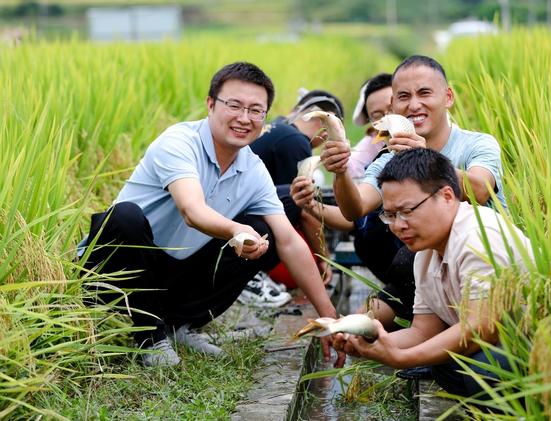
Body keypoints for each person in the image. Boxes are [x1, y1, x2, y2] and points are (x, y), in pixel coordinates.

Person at [79, 62, 340, 367]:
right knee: (124, 217)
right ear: (211, 104)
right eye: (234, 106)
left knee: (261, 227)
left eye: (256, 110)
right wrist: (235, 231)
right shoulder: (178, 142)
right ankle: (149, 337)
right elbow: (192, 211)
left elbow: (289, 242)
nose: (244, 118)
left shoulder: (252, 168)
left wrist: (329, 314)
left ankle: (178, 325)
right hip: (116, 271)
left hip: (173, 270)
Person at [312, 55, 507, 335]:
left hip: (484, 270)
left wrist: (425, 156)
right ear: (393, 107)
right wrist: (340, 172)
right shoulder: (388, 157)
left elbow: (479, 189)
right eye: (404, 96)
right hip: (431, 273)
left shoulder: (477, 144)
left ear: (448, 97)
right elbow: (356, 208)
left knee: (409, 260)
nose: (414, 104)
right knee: (399, 254)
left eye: (425, 93)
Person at [333, 148, 532, 398]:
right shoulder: (426, 253)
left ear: (447, 196)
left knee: (487, 369)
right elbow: (423, 332)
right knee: (445, 364)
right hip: (498, 344)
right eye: (390, 215)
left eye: (407, 211)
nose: (398, 225)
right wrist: (366, 344)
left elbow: (483, 328)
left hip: (532, 350)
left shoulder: (478, 238)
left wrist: (401, 358)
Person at [290, 73, 414, 324]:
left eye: (392, 107)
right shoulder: (382, 160)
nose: (387, 118)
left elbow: (478, 186)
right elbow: (355, 215)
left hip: (440, 266)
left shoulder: (463, 147)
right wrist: (311, 203)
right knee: (367, 237)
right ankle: (403, 307)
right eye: (378, 116)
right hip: (405, 273)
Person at [242, 90, 344, 300]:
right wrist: (325, 259)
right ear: (324, 126)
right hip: (246, 224)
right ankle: (250, 275)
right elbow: (301, 207)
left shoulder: (278, 128)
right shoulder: (296, 142)